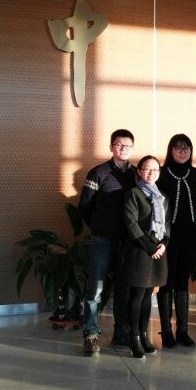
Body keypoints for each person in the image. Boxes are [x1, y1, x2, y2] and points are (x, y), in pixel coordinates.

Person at [78, 129, 136, 357]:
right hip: (102, 240)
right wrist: (99, 227)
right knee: (96, 289)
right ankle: (91, 334)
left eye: (128, 145)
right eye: (119, 144)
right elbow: (85, 206)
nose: (123, 148)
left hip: (127, 242)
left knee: (124, 289)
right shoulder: (98, 172)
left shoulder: (136, 174)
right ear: (111, 147)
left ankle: (121, 332)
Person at [156, 134, 196, 348]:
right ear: (170, 150)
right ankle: (166, 331)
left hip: (189, 237)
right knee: (167, 282)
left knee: (183, 282)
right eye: (178, 147)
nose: (182, 152)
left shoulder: (195, 173)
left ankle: (183, 331)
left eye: (186, 148)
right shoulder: (162, 173)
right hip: (168, 237)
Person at [123, 155, 170, 359]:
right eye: (146, 169)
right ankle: (134, 337)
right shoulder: (133, 194)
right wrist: (150, 247)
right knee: (137, 295)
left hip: (158, 251)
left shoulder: (162, 196)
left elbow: (167, 225)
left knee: (148, 295)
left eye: (155, 169)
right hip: (140, 251)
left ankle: (144, 334)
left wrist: (164, 244)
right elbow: (131, 224)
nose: (151, 173)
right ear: (139, 171)